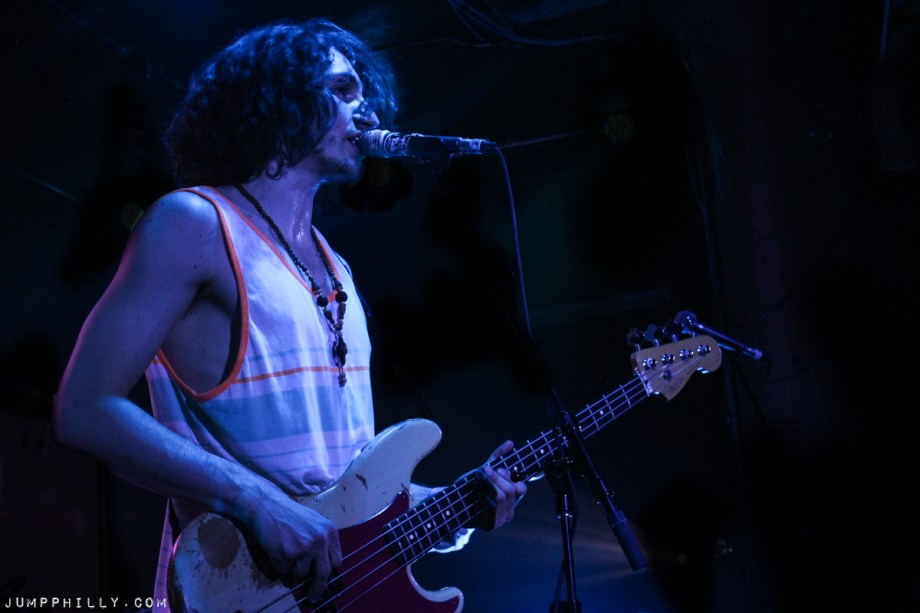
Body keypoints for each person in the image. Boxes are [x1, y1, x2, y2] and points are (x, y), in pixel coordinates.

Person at [52, 17, 526, 610]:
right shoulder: (195, 223)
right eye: (342, 89)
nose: (367, 110)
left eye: (365, 93)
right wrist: (253, 499)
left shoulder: (338, 269)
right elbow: (82, 408)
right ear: (276, 101)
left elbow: (340, 491)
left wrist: (459, 506)